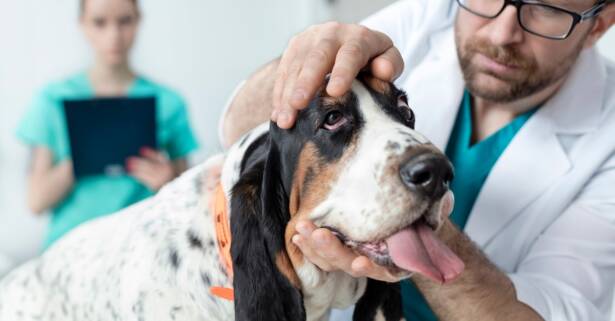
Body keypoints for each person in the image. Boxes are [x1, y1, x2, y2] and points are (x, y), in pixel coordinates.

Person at [219, 0, 615, 320]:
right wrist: (300, 65)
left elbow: (553, 313)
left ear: (598, 24)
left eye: (546, 9)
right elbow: (235, 126)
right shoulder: (428, 16)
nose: (501, 33)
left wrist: (409, 214)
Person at [16, 0, 198, 249]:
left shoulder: (168, 103)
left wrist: (167, 182)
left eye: (124, 21)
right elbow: (36, 200)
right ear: (82, 24)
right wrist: (85, 156)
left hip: (139, 250)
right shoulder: (52, 100)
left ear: (138, 21)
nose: (114, 35)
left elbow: (193, 200)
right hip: (68, 251)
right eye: (99, 22)